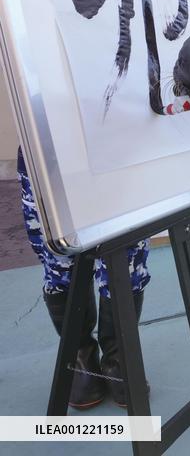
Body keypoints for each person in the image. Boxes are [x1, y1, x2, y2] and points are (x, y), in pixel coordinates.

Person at [18, 147, 150, 409]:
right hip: (46, 149)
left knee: (123, 263)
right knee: (59, 261)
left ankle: (118, 362)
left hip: (115, 146)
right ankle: (81, 363)